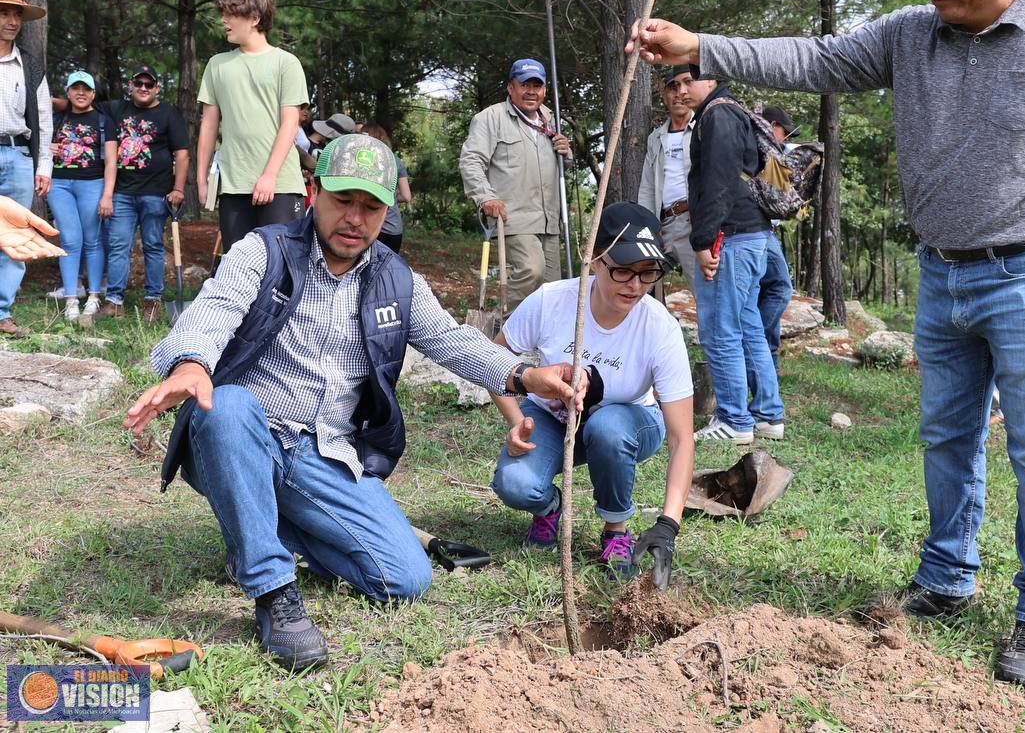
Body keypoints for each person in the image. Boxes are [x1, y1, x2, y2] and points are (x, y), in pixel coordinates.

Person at [628, 0, 1025, 688]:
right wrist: (701, 46)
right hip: (941, 270)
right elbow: (812, 58)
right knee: (947, 436)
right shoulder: (911, 36)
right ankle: (949, 575)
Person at [123, 133, 585, 671]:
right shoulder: (263, 251)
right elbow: (216, 309)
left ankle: (257, 527)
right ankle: (274, 593)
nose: (355, 219)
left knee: (404, 578)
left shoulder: (396, 279)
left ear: (385, 210)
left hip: (325, 452)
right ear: (313, 192)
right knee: (225, 406)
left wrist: (524, 374)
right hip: (244, 433)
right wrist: (191, 364)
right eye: (343, 200)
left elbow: (451, 341)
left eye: (370, 206)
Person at [488, 202, 694, 585]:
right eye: (623, 271)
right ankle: (549, 508)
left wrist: (668, 525)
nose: (635, 286)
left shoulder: (659, 328)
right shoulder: (553, 301)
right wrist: (518, 421)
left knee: (609, 428)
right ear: (595, 259)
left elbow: (683, 439)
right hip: (553, 417)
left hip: (630, 423)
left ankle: (616, 530)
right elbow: (493, 361)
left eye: (648, 273)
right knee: (515, 484)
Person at [685, 74, 785, 446]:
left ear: (710, 79)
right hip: (752, 233)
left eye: (687, 81)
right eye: (673, 84)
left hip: (732, 236)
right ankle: (767, 414)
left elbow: (718, 182)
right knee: (749, 325)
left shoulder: (718, 116)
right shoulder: (731, 111)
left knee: (719, 329)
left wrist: (704, 239)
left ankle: (733, 419)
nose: (681, 90)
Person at [196, 0, 308, 250]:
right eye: (223, 13)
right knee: (239, 269)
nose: (223, 20)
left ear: (255, 18)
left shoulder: (286, 63)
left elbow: (290, 124)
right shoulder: (217, 65)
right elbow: (209, 126)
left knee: (283, 266)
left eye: (231, 13)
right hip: (234, 185)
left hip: (280, 184)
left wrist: (269, 175)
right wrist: (202, 180)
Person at [458, 58, 570, 312]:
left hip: (549, 220)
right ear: (511, 88)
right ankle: (504, 329)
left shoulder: (551, 120)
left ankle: (536, 343)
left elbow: (558, 165)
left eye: (537, 85)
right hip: (513, 217)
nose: (531, 91)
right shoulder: (491, 118)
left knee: (552, 292)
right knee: (532, 270)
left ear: (544, 90)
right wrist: (485, 197)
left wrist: (566, 153)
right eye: (524, 84)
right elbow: (471, 160)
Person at [97, 65, 190, 322]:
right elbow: (80, 103)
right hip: (122, 193)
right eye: (139, 84)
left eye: (149, 85)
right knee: (118, 246)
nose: (143, 89)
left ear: (157, 88)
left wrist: (179, 188)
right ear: (131, 84)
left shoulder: (169, 114)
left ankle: (153, 300)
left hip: (156, 193)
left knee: (153, 246)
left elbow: (181, 154)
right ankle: (114, 301)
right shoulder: (117, 109)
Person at [0, 0, 53, 337]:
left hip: (18, 154)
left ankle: (2, 312)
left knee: (15, 237)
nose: (12, 20)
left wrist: (43, 165)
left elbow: (45, 119)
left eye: (17, 14)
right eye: (4, 13)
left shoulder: (31, 66)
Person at [48, 70, 116, 325]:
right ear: (68, 92)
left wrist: (107, 194)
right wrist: (46, 147)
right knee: (69, 239)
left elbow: (111, 161)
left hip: (93, 183)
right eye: (75, 88)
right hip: (60, 184)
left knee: (93, 240)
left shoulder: (102, 120)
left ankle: (94, 296)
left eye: (86, 89)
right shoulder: (56, 118)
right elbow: (38, 142)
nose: (81, 93)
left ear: (93, 94)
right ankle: (71, 299)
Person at [638, 65, 713, 281]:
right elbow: (647, 185)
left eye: (683, 85)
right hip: (662, 224)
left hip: (693, 222)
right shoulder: (656, 137)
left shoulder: (703, 127)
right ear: (664, 94)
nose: (678, 94)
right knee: (640, 283)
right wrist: (647, 227)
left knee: (703, 290)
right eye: (671, 87)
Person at [755, 105, 796, 375]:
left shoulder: (774, 151)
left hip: (764, 230)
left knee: (767, 291)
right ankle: (755, 344)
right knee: (781, 288)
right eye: (785, 133)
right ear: (773, 126)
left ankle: (768, 363)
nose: (787, 140)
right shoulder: (761, 149)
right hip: (757, 229)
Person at [360, 123, 411, 253]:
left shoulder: (363, 160)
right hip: (394, 228)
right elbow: (406, 196)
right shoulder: (396, 161)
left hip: (371, 225)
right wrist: (390, 197)